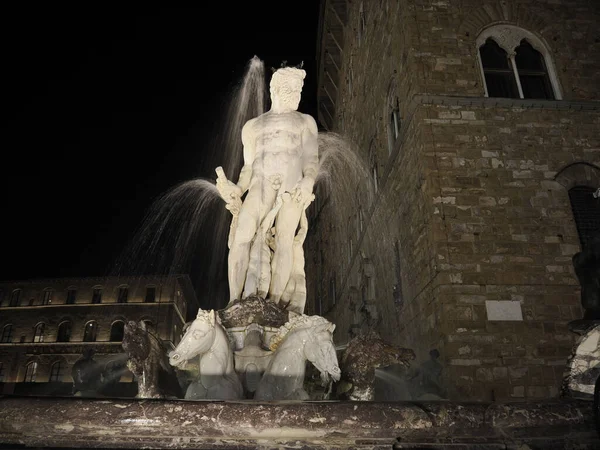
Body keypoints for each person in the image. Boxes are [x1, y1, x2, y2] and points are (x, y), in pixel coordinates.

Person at [216, 66, 318, 308]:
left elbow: (311, 159)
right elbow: (248, 167)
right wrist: (237, 189)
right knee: (242, 234)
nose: (296, 93)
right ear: (274, 88)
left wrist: (308, 180)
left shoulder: (305, 121)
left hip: (291, 184)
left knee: (284, 240)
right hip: (260, 183)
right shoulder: (252, 126)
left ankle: (273, 304)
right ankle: (234, 302)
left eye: (299, 89)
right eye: (290, 88)